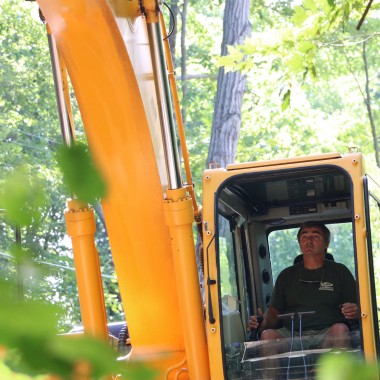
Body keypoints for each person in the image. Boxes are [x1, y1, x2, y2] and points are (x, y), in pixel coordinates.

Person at [249, 221, 359, 350]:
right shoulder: (286, 276)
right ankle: (269, 372)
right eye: (304, 237)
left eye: (315, 236)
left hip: (328, 332)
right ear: (300, 243)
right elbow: (273, 313)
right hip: (292, 335)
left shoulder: (340, 271)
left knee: (341, 330)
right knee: (267, 337)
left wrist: (355, 310)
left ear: (326, 243)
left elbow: (359, 309)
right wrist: (259, 325)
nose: (309, 241)